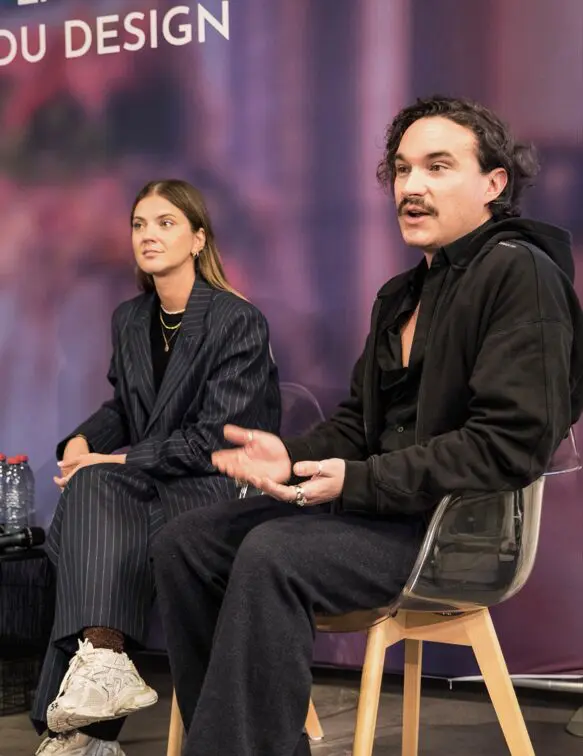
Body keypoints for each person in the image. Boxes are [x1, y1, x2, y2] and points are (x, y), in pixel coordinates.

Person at [152, 96, 583, 756]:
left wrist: (357, 482)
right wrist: (291, 456)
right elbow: (359, 425)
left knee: (272, 553)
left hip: (453, 533)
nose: (411, 186)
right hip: (380, 513)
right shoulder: (401, 295)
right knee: (185, 543)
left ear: (493, 184)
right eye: (402, 169)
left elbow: (509, 445)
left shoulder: (519, 274)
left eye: (438, 166)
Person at [32, 179, 281, 756]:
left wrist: (115, 458)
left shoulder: (236, 319)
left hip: (221, 488)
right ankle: (102, 671)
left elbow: (214, 439)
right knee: (93, 495)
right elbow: (124, 407)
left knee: (91, 508)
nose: (148, 235)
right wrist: (84, 439)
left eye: (166, 223)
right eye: (139, 224)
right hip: (153, 486)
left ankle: (83, 729)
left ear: (198, 239)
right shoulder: (130, 318)